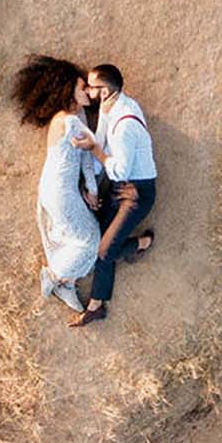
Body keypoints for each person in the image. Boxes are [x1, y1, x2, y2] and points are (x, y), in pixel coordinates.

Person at [9, 55, 102, 314]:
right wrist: (92, 190)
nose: (88, 92)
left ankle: (67, 283)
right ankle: (55, 276)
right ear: (67, 90)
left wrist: (91, 189)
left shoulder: (71, 117)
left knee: (86, 236)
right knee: (91, 241)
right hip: (60, 192)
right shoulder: (69, 121)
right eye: (82, 87)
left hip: (58, 189)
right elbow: (93, 151)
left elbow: (84, 157)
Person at [67, 62, 156, 328]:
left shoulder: (125, 124)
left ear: (104, 92)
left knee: (104, 253)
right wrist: (91, 185)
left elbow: (117, 170)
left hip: (137, 193)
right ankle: (138, 245)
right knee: (100, 238)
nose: (87, 89)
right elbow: (101, 140)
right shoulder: (110, 108)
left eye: (91, 87)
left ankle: (96, 307)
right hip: (122, 188)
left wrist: (93, 149)